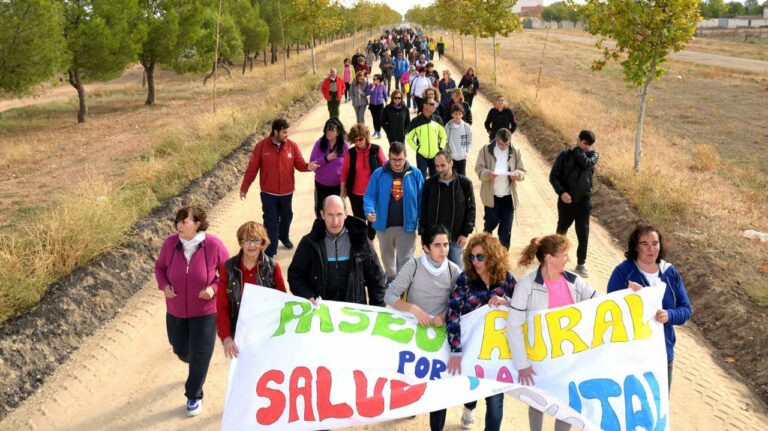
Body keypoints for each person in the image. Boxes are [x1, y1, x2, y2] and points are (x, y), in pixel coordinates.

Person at [507, 234, 598, 431]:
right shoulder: (527, 285)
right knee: (538, 401)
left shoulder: (576, 282)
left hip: (569, 359)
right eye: (564, 255)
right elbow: (514, 326)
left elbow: (601, 304)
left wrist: (629, 294)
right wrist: (522, 364)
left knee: (568, 404)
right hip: (539, 358)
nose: (568, 259)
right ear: (549, 258)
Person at [154, 205, 229, 417]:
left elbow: (227, 272)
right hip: (176, 309)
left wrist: (213, 289)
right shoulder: (170, 243)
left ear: (197, 224)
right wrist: (164, 286)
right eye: (178, 221)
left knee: (200, 354)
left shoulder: (213, 245)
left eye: (184, 221)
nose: (179, 225)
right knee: (180, 349)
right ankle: (191, 360)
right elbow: (160, 268)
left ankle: (194, 395)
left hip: (205, 311)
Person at [384, 224, 459, 430]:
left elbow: (459, 302)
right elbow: (389, 296)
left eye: (445, 245)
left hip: (440, 336)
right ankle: (413, 406)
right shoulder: (413, 266)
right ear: (425, 247)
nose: (443, 250)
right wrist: (414, 309)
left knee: (439, 387)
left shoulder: (454, 271)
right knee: (414, 379)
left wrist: (444, 315)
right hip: (414, 334)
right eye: (437, 245)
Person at [607, 223, 692, 393]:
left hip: (662, 355)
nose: (651, 249)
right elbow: (611, 311)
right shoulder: (623, 272)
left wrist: (669, 315)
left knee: (658, 410)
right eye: (644, 244)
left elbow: (686, 309)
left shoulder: (669, 272)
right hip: (631, 356)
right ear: (635, 247)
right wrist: (633, 299)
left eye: (655, 243)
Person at [446, 233, 516, 431]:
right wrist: (456, 349)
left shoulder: (506, 279)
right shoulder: (465, 280)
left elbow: (523, 306)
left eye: (480, 257)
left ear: (493, 257)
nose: (475, 262)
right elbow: (453, 313)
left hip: (496, 352)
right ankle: (469, 407)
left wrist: (507, 302)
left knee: (495, 399)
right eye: (471, 257)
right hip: (471, 349)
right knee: (473, 388)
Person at [240, 118, 319, 257]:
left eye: (287, 132)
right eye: (284, 132)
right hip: (268, 193)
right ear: (275, 132)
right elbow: (252, 169)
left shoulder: (291, 146)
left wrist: (308, 167)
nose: (286, 135)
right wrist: (244, 187)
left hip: (287, 192)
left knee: (287, 217)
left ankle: (284, 236)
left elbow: (299, 164)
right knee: (271, 221)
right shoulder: (261, 147)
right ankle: (270, 250)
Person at [288, 195, 386, 305]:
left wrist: (377, 310)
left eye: (339, 214)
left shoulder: (361, 241)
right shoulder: (309, 243)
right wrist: (308, 296)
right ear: (322, 214)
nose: (335, 221)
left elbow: (377, 279)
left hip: (354, 315)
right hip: (321, 314)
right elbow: (295, 276)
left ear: (346, 213)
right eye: (330, 215)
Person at [216, 222, 286, 360]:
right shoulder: (228, 268)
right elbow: (221, 306)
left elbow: (282, 301)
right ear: (240, 243)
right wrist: (226, 337)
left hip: (266, 332)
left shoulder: (272, 267)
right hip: (239, 333)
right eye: (247, 240)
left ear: (263, 243)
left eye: (256, 240)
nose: (251, 245)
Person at [364, 141, 424, 282]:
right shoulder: (378, 174)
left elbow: (422, 200)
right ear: (389, 157)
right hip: (384, 227)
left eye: (400, 160)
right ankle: (391, 280)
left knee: (406, 260)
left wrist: (422, 223)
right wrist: (369, 210)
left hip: (407, 226)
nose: (397, 163)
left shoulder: (415, 174)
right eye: (394, 160)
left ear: (406, 157)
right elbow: (369, 195)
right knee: (387, 258)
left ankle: (403, 286)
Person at [549, 130, 599, 278]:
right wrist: (561, 192)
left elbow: (585, 164)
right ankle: (556, 257)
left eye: (589, 145)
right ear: (579, 139)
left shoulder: (593, 156)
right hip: (566, 201)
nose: (587, 147)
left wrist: (577, 149)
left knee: (583, 233)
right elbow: (553, 176)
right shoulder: (564, 155)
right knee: (562, 230)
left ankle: (581, 263)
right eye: (584, 143)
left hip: (584, 202)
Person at [421, 151, 475, 270]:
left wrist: (465, 233)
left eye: (443, 165)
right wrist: (424, 237)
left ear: (451, 163)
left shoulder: (464, 183)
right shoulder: (429, 184)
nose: (439, 169)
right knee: (433, 273)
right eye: (436, 166)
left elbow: (471, 209)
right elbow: (423, 211)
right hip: (434, 241)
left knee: (457, 274)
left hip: (456, 240)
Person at [474, 128, 526, 249]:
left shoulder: (515, 151)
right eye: (501, 144)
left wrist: (517, 175)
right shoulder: (485, 150)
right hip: (492, 197)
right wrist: (488, 174)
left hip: (508, 197)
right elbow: (479, 168)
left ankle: (503, 258)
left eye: (506, 144)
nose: (503, 147)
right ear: (496, 140)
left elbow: (522, 171)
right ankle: (486, 252)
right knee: (489, 226)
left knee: (506, 230)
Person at [340, 124, 386, 241]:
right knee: (359, 222)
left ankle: (370, 244)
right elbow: (344, 172)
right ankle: (363, 245)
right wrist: (342, 191)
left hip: (373, 194)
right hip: (355, 194)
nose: (358, 142)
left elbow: (386, 168)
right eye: (355, 140)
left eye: (360, 139)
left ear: (366, 137)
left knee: (372, 225)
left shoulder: (376, 150)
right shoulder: (350, 153)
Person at [310, 118, 349, 218]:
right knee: (321, 212)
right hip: (321, 185)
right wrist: (327, 158)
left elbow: (349, 166)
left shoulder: (344, 146)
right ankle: (322, 232)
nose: (329, 133)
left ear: (338, 132)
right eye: (327, 130)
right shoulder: (319, 144)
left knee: (337, 212)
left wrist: (344, 187)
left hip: (337, 186)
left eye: (332, 130)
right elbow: (312, 164)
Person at [406, 98, 447, 179]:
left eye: (434, 104)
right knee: (421, 178)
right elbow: (409, 138)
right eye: (432, 104)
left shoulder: (438, 119)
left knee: (436, 178)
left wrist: (440, 148)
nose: (434, 106)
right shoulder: (415, 121)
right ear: (425, 105)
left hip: (435, 155)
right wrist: (417, 148)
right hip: (421, 155)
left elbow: (444, 136)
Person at [444, 104, 473, 176]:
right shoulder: (448, 126)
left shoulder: (467, 127)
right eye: (455, 114)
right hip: (451, 157)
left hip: (462, 156)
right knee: (452, 176)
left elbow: (470, 141)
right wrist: (447, 154)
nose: (457, 116)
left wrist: (466, 152)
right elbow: (445, 141)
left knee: (462, 176)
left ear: (462, 115)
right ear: (452, 114)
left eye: (459, 114)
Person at [366, 74, 388, 139]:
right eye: (373, 79)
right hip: (372, 105)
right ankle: (376, 131)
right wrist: (372, 88)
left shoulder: (382, 86)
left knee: (379, 118)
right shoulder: (371, 85)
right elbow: (367, 93)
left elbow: (385, 95)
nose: (373, 80)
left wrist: (386, 102)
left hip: (380, 105)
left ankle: (378, 132)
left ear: (378, 80)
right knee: (374, 119)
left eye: (374, 79)